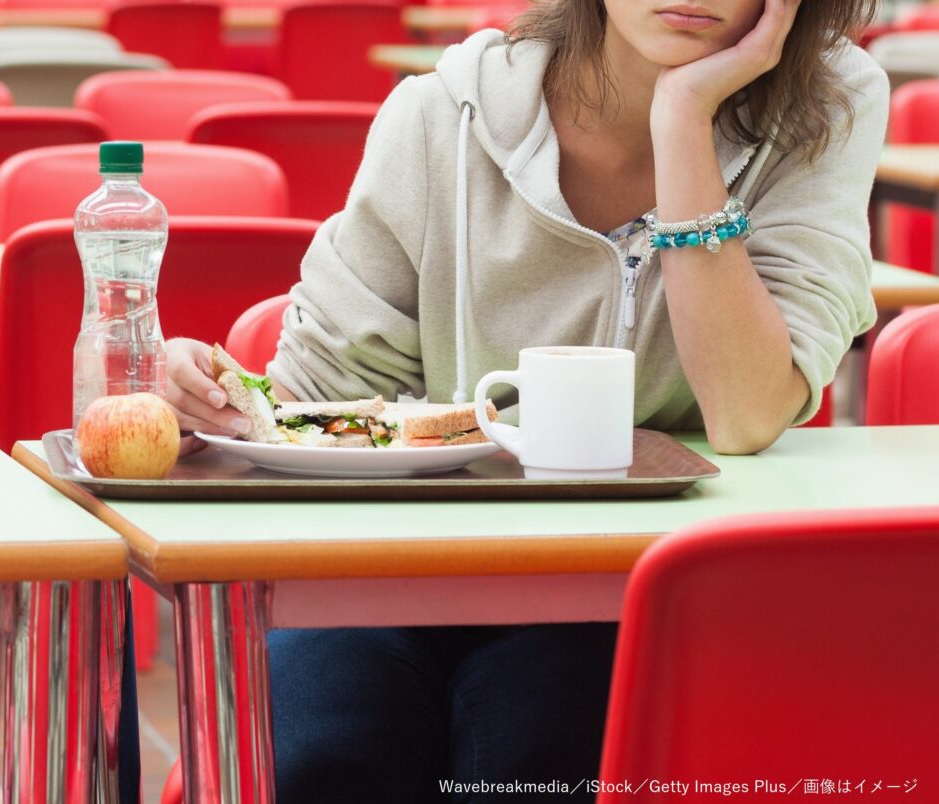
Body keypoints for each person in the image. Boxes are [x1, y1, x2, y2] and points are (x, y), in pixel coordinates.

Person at [164, 0, 887, 800]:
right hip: (399, 567)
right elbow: (318, 394)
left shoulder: (823, 106)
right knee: (328, 756)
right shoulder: (445, 110)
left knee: (547, 750)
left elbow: (747, 414)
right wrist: (218, 404)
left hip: (643, 587)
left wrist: (683, 119)